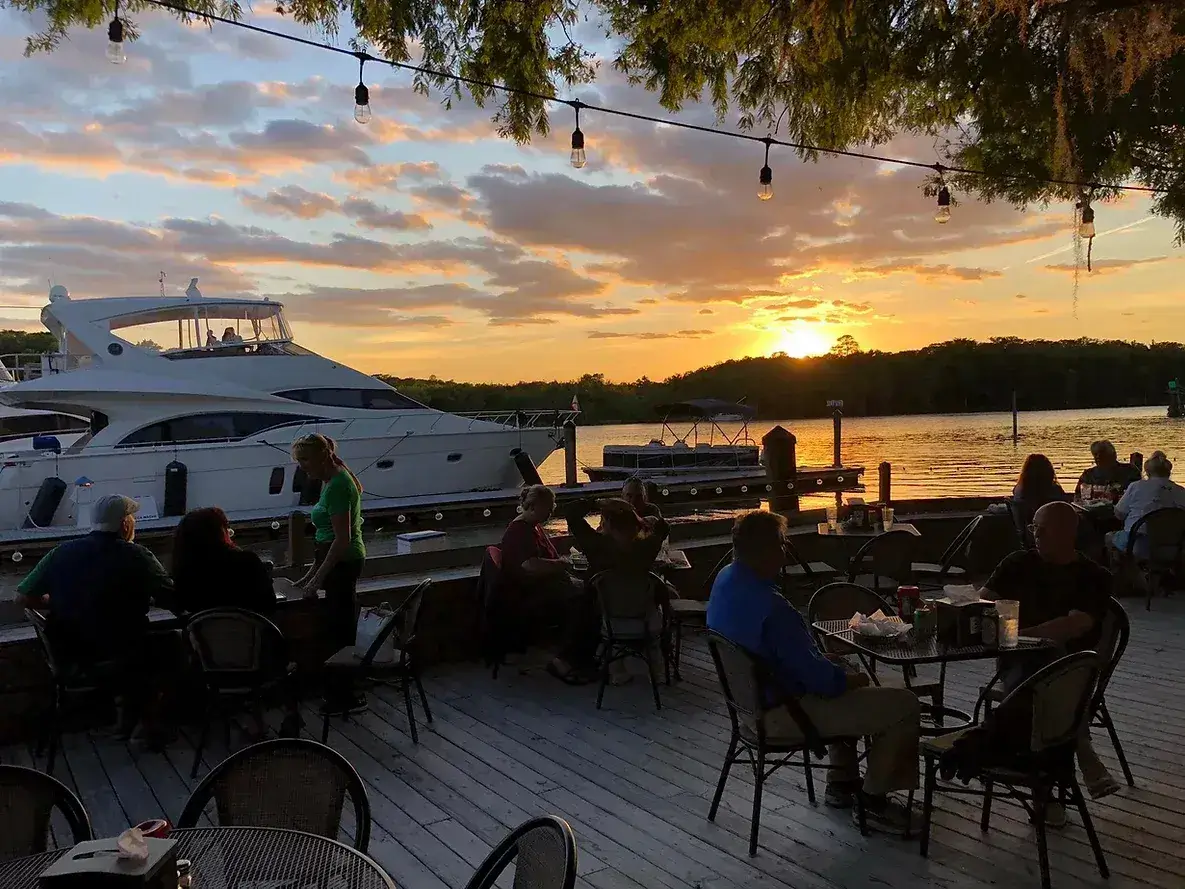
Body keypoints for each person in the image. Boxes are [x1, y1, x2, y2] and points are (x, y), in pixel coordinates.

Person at [707, 510, 921, 833]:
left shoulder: (724, 581)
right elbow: (824, 683)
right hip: (786, 713)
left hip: (749, 707)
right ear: (767, 551)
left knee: (839, 667)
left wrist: (831, 667)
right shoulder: (774, 610)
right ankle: (874, 802)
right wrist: (852, 679)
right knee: (903, 705)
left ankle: (842, 781)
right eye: (782, 545)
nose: (784, 553)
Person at [982, 501, 1119, 813]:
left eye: (1043, 529)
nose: (1036, 535)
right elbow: (984, 603)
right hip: (1018, 660)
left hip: (1074, 668)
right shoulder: (1017, 563)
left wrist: (1022, 634)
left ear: (1068, 532)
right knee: (1040, 672)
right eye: (1033, 528)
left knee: (1051, 664)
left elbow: (1075, 624)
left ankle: (1043, 787)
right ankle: (1080, 750)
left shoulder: (1092, 575)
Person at [17, 494, 174, 736]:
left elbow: (23, 596)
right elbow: (171, 596)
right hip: (118, 656)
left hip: (70, 657)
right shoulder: (137, 555)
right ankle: (149, 723)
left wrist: (53, 599)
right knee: (171, 641)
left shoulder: (60, 552)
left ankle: (127, 719)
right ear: (124, 524)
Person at [170, 507, 275, 615]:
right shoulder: (247, 562)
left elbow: (184, 606)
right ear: (220, 531)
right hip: (249, 629)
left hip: (204, 630)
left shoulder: (185, 571)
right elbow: (268, 602)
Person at [1111, 450, 1185, 557]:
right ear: (1169, 472)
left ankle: (1118, 571)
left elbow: (1119, 514)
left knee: (1109, 537)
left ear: (1147, 472)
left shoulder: (1136, 486)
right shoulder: (1181, 491)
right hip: (1173, 547)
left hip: (1138, 543)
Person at [1076, 440, 1140, 503]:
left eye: (1102, 453)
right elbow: (1078, 496)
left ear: (1114, 455)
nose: (1098, 457)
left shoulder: (1130, 471)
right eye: (1095, 454)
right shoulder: (1088, 475)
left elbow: (1136, 495)